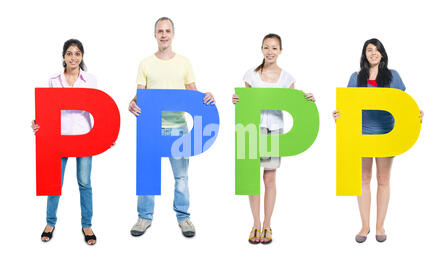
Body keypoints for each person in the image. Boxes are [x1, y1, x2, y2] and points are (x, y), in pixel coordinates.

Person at [128, 17, 215, 238]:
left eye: (167, 31)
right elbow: (142, 93)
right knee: (148, 175)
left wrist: (205, 97)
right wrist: (132, 101)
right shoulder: (145, 63)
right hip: (151, 128)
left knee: (181, 177)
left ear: (173, 34)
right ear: (155, 35)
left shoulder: (184, 62)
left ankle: (184, 217)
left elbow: (193, 92)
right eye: (160, 31)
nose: (164, 34)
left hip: (178, 129)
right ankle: (144, 217)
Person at [333, 38, 424, 243]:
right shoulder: (356, 77)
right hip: (361, 134)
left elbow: (404, 105)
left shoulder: (393, 76)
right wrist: (338, 116)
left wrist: (415, 114)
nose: (373, 53)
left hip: (386, 134)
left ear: (382, 54)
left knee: (383, 180)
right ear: (364, 55)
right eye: (369, 50)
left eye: (377, 50)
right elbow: (346, 107)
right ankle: (364, 226)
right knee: (363, 180)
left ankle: (380, 226)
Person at [232, 33, 315, 244]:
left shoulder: (287, 78)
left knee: (269, 178)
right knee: (251, 179)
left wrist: (308, 100)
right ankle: (255, 224)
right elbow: (244, 102)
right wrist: (236, 100)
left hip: (274, 129)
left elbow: (296, 104)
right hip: (251, 129)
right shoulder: (251, 74)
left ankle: (267, 225)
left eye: (274, 48)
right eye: (267, 47)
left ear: (280, 51)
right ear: (261, 49)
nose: (270, 52)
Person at [31, 39, 98, 245]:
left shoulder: (90, 80)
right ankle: (50, 222)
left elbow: (96, 109)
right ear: (63, 56)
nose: (73, 57)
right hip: (58, 138)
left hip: (84, 137)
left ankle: (87, 225)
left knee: (85, 183)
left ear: (82, 57)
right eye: (69, 53)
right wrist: (39, 126)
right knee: (54, 183)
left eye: (77, 53)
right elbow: (48, 110)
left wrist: (105, 134)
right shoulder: (54, 80)